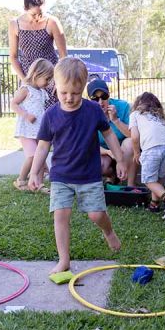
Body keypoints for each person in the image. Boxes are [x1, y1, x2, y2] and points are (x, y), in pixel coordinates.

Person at [29, 58, 125, 274]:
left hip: (89, 175)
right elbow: (43, 146)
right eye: (64, 93)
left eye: (75, 93)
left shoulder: (92, 110)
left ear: (82, 88)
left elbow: (108, 134)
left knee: (96, 215)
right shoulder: (51, 115)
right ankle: (64, 260)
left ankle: (108, 231)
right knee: (60, 215)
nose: (69, 98)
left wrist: (119, 159)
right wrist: (35, 172)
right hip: (61, 176)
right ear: (56, 86)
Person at [8, 0, 67, 108]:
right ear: (25, 8)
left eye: (40, 13)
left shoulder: (52, 22)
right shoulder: (15, 24)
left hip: (50, 78)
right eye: (34, 14)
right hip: (28, 78)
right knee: (31, 117)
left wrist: (58, 81)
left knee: (52, 118)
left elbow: (63, 56)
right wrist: (24, 80)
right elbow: (13, 56)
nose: (37, 17)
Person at [129, 92, 165, 220]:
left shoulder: (135, 115)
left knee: (148, 180)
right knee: (157, 177)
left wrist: (136, 152)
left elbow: (134, 136)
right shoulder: (159, 116)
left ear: (138, 104)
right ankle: (154, 205)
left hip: (151, 148)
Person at [10, 58, 54, 191]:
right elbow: (13, 104)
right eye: (47, 79)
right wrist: (25, 115)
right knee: (32, 156)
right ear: (36, 74)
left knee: (40, 157)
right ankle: (21, 180)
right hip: (26, 131)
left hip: (37, 130)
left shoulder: (41, 92)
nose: (48, 82)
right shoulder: (26, 89)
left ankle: (38, 184)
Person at [86, 78, 137, 186]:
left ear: (109, 95)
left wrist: (115, 120)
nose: (100, 102)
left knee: (130, 142)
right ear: (90, 99)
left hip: (124, 151)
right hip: (105, 153)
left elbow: (133, 136)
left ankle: (130, 187)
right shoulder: (87, 113)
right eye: (95, 98)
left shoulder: (123, 106)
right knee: (100, 164)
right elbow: (89, 144)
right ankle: (112, 177)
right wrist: (109, 152)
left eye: (104, 97)